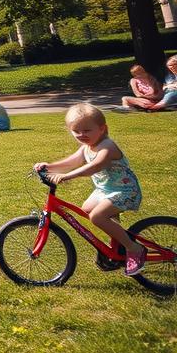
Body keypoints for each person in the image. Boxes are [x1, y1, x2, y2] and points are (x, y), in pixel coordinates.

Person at [36, 103, 146, 275]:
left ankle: (134, 248)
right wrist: (49, 166)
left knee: (97, 216)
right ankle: (117, 245)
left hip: (125, 191)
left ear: (102, 129)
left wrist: (67, 176)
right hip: (105, 190)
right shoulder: (87, 147)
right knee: (87, 209)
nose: (81, 135)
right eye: (76, 131)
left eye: (87, 131)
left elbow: (95, 166)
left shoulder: (107, 147)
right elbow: (71, 162)